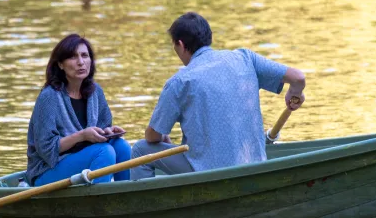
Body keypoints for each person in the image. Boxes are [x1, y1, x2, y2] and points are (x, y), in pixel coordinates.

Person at [130, 12, 305, 179]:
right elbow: (298, 78)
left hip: (208, 175)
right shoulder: (245, 58)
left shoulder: (180, 81)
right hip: (254, 166)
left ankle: (147, 207)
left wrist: (160, 137)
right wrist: (294, 93)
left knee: (140, 150)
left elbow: (152, 137)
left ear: (181, 45)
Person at [26, 34, 131, 187]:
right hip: (47, 170)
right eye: (73, 57)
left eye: (84, 56)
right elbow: (46, 150)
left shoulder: (96, 92)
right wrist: (81, 136)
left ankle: (124, 199)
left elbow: (99, 131)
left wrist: (107, 132)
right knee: (105, 151)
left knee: (121, 147)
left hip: (83, 159)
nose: (81, 62)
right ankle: (99, 204)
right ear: (61, 64)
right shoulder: (49, 97)